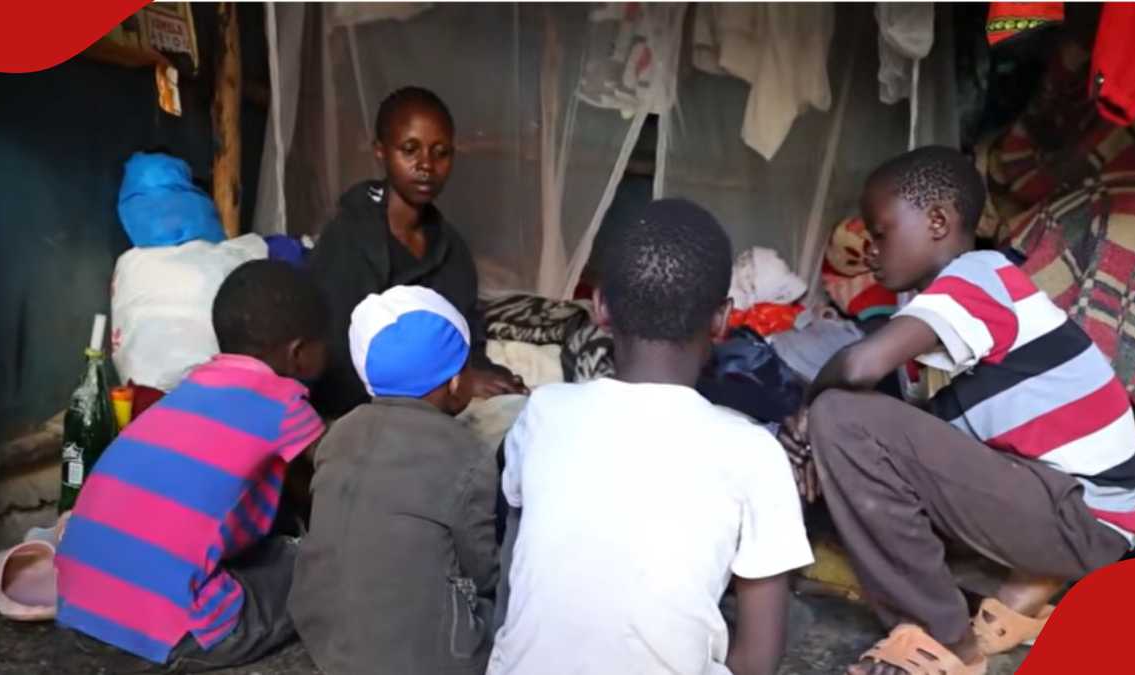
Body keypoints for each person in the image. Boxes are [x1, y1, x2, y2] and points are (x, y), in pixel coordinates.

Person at [779, 146, 1135, 675]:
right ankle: (1018, 589)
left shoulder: (978, 277)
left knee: (840, 414)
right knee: (845, 453)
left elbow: (858, 367)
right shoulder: (937, 322)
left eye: (880, 232)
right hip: (1057, 506)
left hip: (1083, 515)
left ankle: (944, 640)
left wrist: (807, 414)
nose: (870, 249)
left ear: (936, 222)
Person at [489, 199, 813, 675]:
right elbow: (757, 663)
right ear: (722, 319)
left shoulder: (544, 411)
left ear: (600, 305)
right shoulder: (754, 453)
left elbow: (511, 578)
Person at [54, 260, 329, 670]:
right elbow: (331, 485)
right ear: (299, 353)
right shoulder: (286, 406)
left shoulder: (189, 389)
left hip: (77, 610)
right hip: (175, 633)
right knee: (317, 565)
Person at [291, 285, 498, 675]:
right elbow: (482, 571)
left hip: (324, 637)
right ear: (456, 383)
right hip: (422, 660)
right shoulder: (467, 454)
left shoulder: (337, 433)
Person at [308, 85, 525, 419]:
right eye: (410, 150)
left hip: (436, 396)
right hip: (361, 408)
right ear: (380, 151)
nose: (426, 165)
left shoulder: (449, 246)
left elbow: (463, 329)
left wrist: (479, 372)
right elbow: (339, 358)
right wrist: (447, 385)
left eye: (441, 153)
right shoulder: (349, 238)